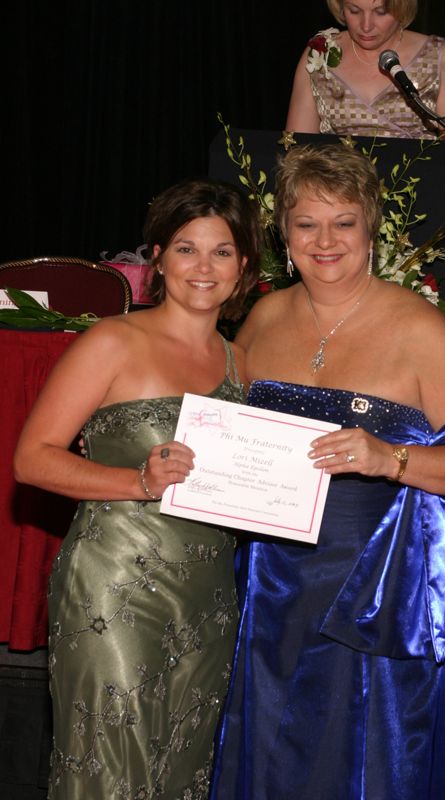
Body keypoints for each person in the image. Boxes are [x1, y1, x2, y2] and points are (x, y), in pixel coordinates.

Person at [209, 145, 445, 799]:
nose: (324, 241)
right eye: (305, 223)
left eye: (342, 222)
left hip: (373, 589)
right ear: (282, 235)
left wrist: (391, 459)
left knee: (367, 764)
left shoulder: (416, 326)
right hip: (267, 584)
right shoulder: (261, 318)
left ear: (370, 230)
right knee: (271, 757)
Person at [13, 178, 262, 800]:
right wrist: (138, 481)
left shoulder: (241, 365)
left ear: (244, 268)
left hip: (208, 599)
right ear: (156, 258)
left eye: (222, 251)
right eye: (185, 248)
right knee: (110, 770)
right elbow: (32, 460)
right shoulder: (113, 340)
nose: (203, 267)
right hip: (115, 587)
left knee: (183, 771)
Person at [286, 0, 445, 140]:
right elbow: (297, 150)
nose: (366, 26)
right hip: (338, 190)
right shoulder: (320, 53)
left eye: (381, 12)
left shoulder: (437, 56)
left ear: (401, 7)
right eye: (354, 11)